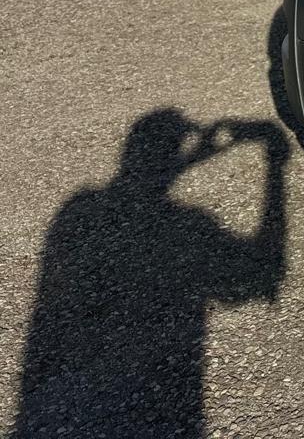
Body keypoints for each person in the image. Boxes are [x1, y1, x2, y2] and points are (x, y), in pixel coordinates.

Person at [11, 109, 289, 438]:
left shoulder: (79, 210)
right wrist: (275, 164)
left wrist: (191, 159)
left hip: (56, 404)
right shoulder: (186, 225)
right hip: (168, 402)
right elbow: (261, 272)